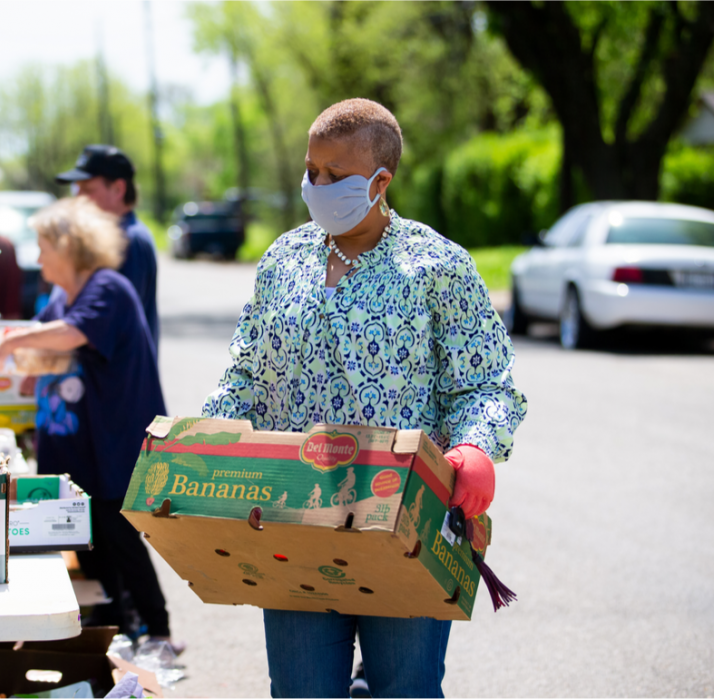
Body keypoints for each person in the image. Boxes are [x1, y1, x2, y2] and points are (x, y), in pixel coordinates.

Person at [202, 98, 528, 697]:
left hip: (404, 522)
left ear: (381, 181)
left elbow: (485, 384)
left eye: (335, 176)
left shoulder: (437, 266)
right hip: (293, 518)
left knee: (405, 689)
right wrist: (208, 441)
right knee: (302, 691)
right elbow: (244, 374)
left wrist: (477, 445)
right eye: (311, 171)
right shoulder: (283, 260)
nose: (317, 186)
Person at [0, 196, 178, 647]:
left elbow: (72, 334)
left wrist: (9, 342)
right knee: (87, 538)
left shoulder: (107, 288)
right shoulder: (62, 296)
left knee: (119, 536)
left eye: (42, 246)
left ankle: (157, 629)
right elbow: (43, 348)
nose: (37, 258)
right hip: (76, 448)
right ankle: (115, 626)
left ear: (68, 246)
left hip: (112, 444)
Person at [55, 145, 160, 351]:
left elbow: (107, 323)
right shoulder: (112, 236)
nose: (79, 198)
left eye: (88, 190)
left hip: (121, 379)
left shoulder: (128, 239)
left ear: (118, 189)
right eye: (78, 190)